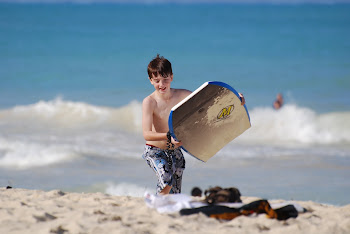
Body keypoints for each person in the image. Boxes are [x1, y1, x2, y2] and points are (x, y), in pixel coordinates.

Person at [142, 54, 245, 195]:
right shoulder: (150, 102)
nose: (162, 84)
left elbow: (208, 104)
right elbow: (146, 134)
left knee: (174, 194)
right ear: (151, 80)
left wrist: (233, 99)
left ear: (171, 77)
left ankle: (164, 209)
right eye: (157, 80)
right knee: (166, 181)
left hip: (176, 152)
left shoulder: (182, 95)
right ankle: (155, 206)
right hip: (155, 151)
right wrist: (168, 136)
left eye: (165, 79)